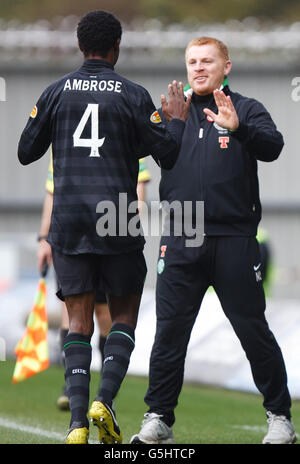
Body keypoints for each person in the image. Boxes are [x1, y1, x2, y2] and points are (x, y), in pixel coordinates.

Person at [18, 10, 191, 445]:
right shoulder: (133, 95)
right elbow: (167, 155)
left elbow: (25, 151)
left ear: (80, 47)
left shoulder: (56, 92)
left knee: (77, 321)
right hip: (117, 218)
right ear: (117, 47)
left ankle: (76, 424)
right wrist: (175, 120)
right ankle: (105, 402)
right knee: (123, 315)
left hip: (69, 221)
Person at [131, 36, 296, 445]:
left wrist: (238, 129)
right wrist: (168, 124)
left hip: (234, 238)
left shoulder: (246, 108)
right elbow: (140, 155)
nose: (199, 68)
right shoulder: (171, 110)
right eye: (192, 61)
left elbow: (273, 146)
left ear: (226, 66)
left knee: (252, 330)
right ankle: (158, 418)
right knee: (169, 333)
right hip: (181, 238)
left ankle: (279, 417)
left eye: (208, 61)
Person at [37, 155, 151, 410]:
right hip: (76, 237)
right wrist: (43, 237)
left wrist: (125, 225)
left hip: (101, 238)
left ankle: (102, 389)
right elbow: (51, 192)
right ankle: (79, 388)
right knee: (74, 315)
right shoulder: (69, 144)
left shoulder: (74, 137)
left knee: (101, 316)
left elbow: (139, 189)